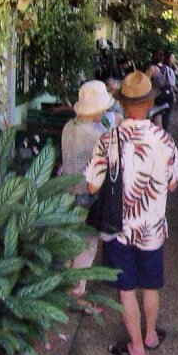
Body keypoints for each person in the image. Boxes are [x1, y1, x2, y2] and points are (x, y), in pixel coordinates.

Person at [85, 71, 178, 355]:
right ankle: (150, 335)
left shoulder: (108, 138)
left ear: (123, 104)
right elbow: (174, 184)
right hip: (151, 227)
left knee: (127, 290)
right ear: (150, 102)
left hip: (118, 229)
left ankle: (136, 346)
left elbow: (92, 185)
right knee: (150, 285)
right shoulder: (164, 140)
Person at [60, 80, 114, 310]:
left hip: (65, 191)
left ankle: (63, 288)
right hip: (88, 194)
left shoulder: (68, 127)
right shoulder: (99, 134)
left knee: (68, 241)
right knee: (86, 245)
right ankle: (77, 293)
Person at [148, 49, 177, 131]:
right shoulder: (167, 68)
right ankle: (165, 134)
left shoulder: (152, 68)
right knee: (166, 118)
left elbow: (145, 82)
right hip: (168, 95)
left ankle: (159, 136)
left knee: (157, 116)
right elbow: (172, 83)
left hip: (156, 95)